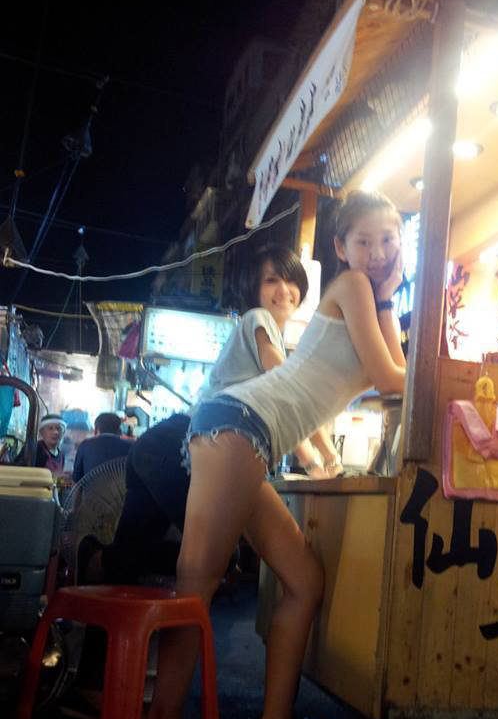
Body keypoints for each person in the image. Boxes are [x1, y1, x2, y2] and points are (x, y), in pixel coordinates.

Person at [146, 190, 406, 719]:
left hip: (246, 434)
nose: (377, 252)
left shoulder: (376, 301)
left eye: (388, 240)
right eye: (364, 241)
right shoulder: (353, 286)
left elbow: (395, 375)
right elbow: (393, 376)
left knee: (304, 580)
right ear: (341, 248)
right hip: (239, 424)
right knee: (197, 581)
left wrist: (392, 300)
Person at [79, 242, 339, 586]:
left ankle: (91, 563)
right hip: (182, 446)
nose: (283, 290)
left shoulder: (268, 336)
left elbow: (290, 399)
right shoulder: (257, 319)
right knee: (219, 556)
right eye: (271, 280)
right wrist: (317, 461)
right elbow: (287, 387)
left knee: (125, 563)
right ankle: (98, 564)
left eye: (290, 281)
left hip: (158, 447)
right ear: (253, 288)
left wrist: (321, 455)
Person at [72, 412, 134, 483]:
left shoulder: (85, 445)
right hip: (121, 489)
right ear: (119, 431)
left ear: (96, 430)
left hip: (92, 489)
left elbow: (77, 478)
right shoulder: (130, 446)